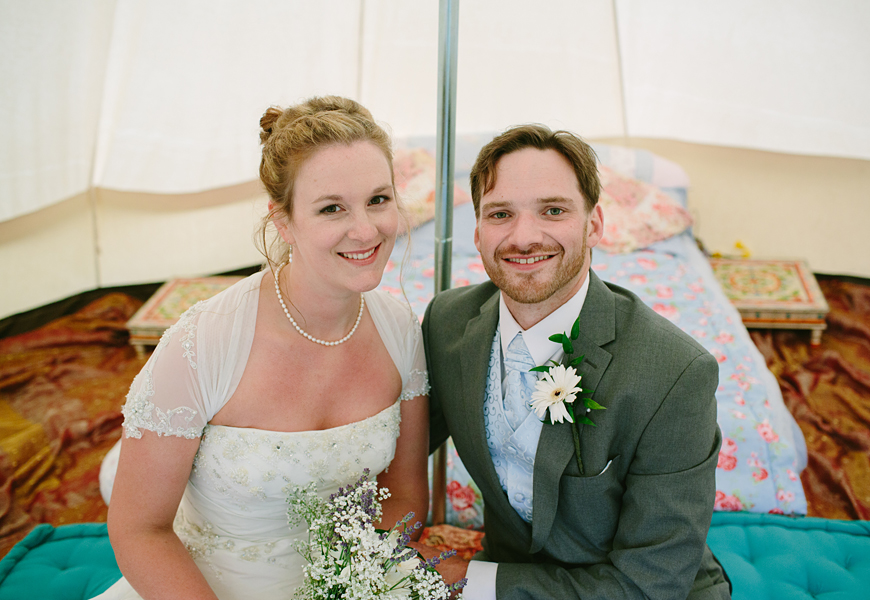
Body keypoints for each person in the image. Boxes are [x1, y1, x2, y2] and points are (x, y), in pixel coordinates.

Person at [96, 96, 430, 600]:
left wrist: (357, 585)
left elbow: (405, 497)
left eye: (378, 200)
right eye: (331, 208)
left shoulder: (401, 330)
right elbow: (140, 530)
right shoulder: (203, 343)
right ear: (283, 221)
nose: (366, 230)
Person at [415, 125, 732, 599]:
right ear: (477, 233)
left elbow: (649, 584)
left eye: (553, 210)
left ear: (595, 225)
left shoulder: (677, 374)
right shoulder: (447, 323)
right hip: (511, 568)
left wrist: (475, 581)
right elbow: (394, 447)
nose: (524, 237)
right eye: (500, 213)